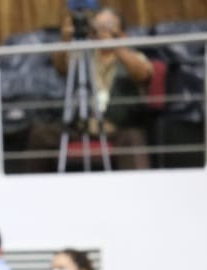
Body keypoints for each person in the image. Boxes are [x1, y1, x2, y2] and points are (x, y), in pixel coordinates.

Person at [53, 5, 154, 169]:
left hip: (118, 127)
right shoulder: (84, 54)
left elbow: (143, 75)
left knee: (134, 138)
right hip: (83, 124)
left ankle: (138, 191)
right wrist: (65, 40)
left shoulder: (133, 56)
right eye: (98, 26)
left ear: (123, 33)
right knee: (41, 135)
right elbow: (60, 68)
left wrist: (117, 44)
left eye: (108, 26)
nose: (102, 31)